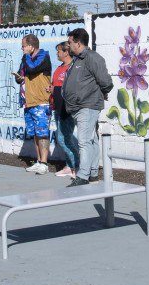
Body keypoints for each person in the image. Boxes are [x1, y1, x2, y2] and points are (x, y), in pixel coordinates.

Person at [62, 28, 113, 186]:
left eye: (70, 42)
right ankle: (92, 173)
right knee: (91, 140)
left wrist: (101, 92)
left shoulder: (92, 58)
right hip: (78, 106)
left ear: (77, 43)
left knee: (84, 141)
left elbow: (105, 81)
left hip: (87, 105)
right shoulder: (78, 59)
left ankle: (82, 176)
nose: (68, 46)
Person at [15, 33, 52, 174]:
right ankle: (38, 161)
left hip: (41, 101)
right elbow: (22, 73)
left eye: (24, 46)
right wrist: (19, 77)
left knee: (42, 133)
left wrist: (26, 57)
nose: (22, 49)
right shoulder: (26, 58)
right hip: (28, 101)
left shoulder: (43, 56)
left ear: (31, 46)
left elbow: (32, 68)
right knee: (35, 133)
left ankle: (44, 162)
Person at [50, 42, 79, 178]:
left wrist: (56, 90)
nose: (57, 53)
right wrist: (52, 90)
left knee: (63, 138)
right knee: (65, 137)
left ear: (66, 52)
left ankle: (76, 167)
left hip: (67, 108)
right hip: (57, 106)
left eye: (58, 51)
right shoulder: (59, 68)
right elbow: (56, 86)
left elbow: (71, 89)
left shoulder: (72, 68)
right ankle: (69, 166)